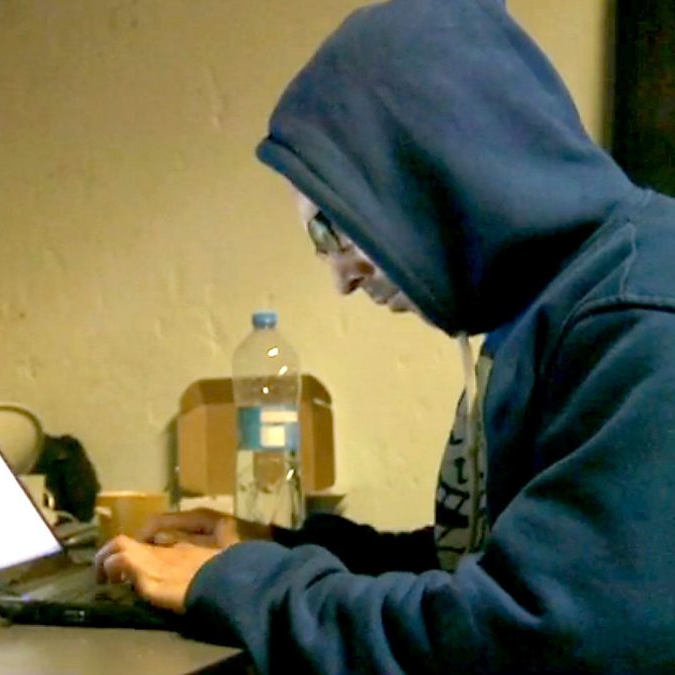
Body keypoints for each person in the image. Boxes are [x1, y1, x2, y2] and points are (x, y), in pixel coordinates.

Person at [94, 0, 675, 671]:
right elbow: (484, 568)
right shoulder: (561, 302)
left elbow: (529, 635)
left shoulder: (642, 319)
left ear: (434, 156)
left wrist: (247, 586)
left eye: (332, 231)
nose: (341, 279)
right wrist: (276, 549)